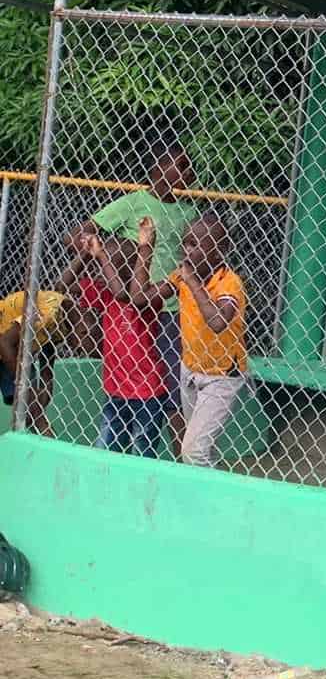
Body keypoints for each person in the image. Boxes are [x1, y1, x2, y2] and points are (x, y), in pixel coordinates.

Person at [73, 142, 197, 411]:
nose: (190, 173)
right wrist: (93, 247)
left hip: (174, 306)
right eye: (183, 166)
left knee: (174, 386)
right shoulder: (133, 203)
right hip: (138, 308)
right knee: (140, 381)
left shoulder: (190, 212)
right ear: (160, 169)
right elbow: (84, 231)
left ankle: (178, 451)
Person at [128, 213, 247, 469]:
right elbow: (139, 298)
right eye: (185, 243)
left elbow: (217, 322)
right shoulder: (181, 276)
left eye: (195, 245)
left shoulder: (229, 282)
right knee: (195, 450)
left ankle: (213, 502)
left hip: (222, 375)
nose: (187, 250)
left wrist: (191, 280)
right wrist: (146, 248)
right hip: (190, 370)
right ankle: (203, 497)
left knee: (194, 453)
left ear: (218, 251)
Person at [76, 232, 168, 458]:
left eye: (114, 264)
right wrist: (87, 254)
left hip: (147, 393)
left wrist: (102, 256)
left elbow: (124, 294)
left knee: (142, 454)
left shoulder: (149, 297)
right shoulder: (105, 295)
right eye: (105, 264)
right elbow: (64, 283)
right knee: (106, 451)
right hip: (115, 391)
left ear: (133, 266)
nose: (106, 272)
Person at [0, 252, 87, 436]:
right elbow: (5, 342)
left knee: (31, 410)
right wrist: (26, 387)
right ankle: (56, 454)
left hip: (14, 352)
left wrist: (44, 391)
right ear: (82, 332)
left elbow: (48, 363)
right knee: (33, 411)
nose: (78, 351)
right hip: (7, 346)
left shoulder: (65, 319)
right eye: (82, 347)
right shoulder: (47, 316)